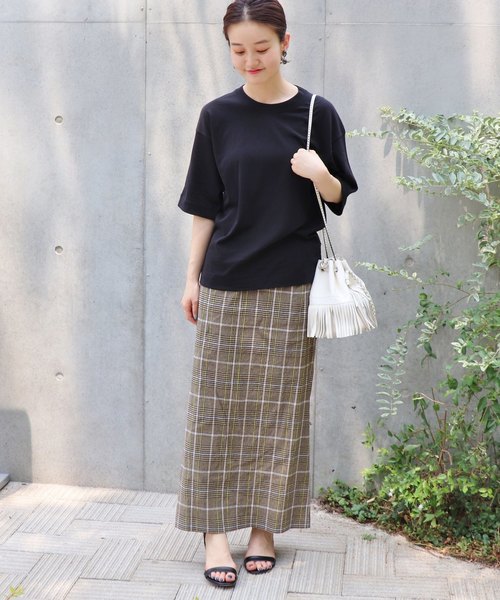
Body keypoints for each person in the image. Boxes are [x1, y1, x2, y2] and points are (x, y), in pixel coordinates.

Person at [175, 0, 358, 589]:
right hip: (226, 280)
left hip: (292, 284)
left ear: (285, 43)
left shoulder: (316, 113)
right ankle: (213, 534)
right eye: (238, 50)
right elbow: (204, 205)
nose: (250, 60)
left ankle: (263, 530)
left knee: (280, 414)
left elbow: (339, 193)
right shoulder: (217, 116)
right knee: (214, 413)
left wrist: (317, 173)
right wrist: (191, 277)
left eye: (261, 48)